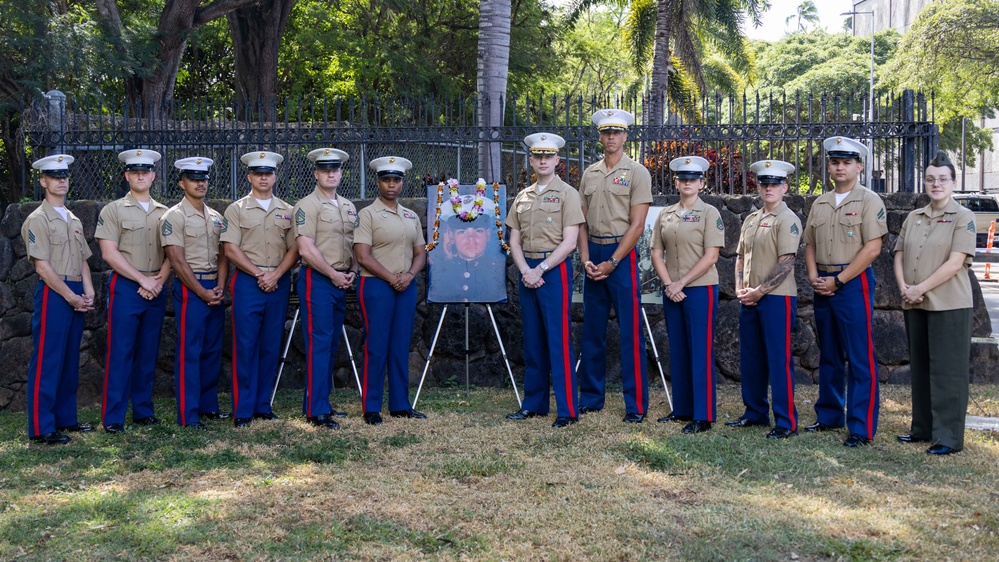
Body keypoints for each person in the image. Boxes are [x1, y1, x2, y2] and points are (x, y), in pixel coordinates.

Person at [803, 137, 887, 447]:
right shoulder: (820, 203)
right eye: (836, 162)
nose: (840, 167)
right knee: (829, 353)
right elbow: (810, 244)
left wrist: (838, 280)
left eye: (847, 162)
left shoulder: (869, 201)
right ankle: (829, 415)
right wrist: (814, 276)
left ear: (859, 166)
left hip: (852, 282)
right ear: (829, 166)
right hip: (822, 282)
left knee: (859, 355)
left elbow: (873, 247)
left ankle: (861, 427)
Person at [893, 151, 976, 455]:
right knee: (922, 367)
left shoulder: (963, 217)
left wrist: (920, 288)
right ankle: (923, 428)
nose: (936, 184)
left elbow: (956, 263)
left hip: (949, 304)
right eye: (930, 179)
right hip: (915, 301)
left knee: (948, 371)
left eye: (942, 179)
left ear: (953, 182)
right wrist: (904, 286)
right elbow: (899, 253)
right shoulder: (914, 217)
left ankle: (949, 438)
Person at [577, 109, 652, 423]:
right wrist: (585, 260)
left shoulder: (637, 172)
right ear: (600, 136)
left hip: (621, 253)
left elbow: (637, 225)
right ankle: (591, 399)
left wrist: (612, 262)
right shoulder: (589, 173)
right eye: (606, 132)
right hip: (592, 251)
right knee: (592, 330)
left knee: (630, 332)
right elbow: (579, 221)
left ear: (625, 136)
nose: (611, 137)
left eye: (617, 132)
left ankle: (635, 405)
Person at [505, 133, 584, 428]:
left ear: (557, 161)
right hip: (527, 270)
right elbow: (514, 240)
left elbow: (570, 242)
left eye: (548, 156)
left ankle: (567, 410)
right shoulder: (522, 197)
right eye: (538, 156)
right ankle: (534, 404)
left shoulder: (568, 194)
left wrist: (541, 269)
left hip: (554, 270)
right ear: (531, 160)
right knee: (533, 340)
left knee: (558, 339)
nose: (542, 160)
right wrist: (525, 269)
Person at [95, 149, 173, 434]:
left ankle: (143, 411)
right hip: (128, 287)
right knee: (121, 351)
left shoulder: (166, 213)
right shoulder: (113, 210)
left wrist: (158, 281)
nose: (141, 176)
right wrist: (143, 280)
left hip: (156, 287)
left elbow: (173, 254)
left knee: (148, 351)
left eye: (146, 171)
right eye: (135, 172)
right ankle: (113, 416)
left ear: (153, 176)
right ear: (127, 175)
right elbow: (109, 253)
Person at [22, 154, 96, 444]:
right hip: (55, 292)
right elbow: (42, 267)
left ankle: (66, 419)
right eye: (54, 176)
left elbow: (82, 260)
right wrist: (70, 297)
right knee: (47, 359)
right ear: (43, 181)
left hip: (75, 289)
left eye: (64, 175)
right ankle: (42, 427)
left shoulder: (73, 218)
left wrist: (87, 291)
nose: (61, 180)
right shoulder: (37, 219)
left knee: (68, 359)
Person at [223, 151, 298, 428]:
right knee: (245, 345)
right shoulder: (236, 209)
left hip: (278, 283)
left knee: (270, 345)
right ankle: (242, 409)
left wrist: (276, 274)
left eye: (268, 173)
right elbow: (230, 248)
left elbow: (295, 248)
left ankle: (262, 405)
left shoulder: (288, 211)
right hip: (248, 282)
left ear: (275, 176)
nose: (263, 177)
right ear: (249, 177)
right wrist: (259, 274)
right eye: (258, 173)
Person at [651, 156, 724, 434]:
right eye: (683, 179)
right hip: (673, 290)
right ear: (676, 182)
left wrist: (681, 283)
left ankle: (703, 415)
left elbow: (711, 255)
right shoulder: (665, 214)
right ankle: (682, 409)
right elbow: (657, 253)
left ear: (702, 183)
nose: (687, 183)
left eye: (693, 179)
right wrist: (670, 284)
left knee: (700, 350)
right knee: (678, 349)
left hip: (699, 289)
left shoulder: (710, 214)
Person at [730, 159, 802, 439]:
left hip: (776, 299)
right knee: (751, 358)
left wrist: (759, 291)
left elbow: (787, 262)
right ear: (758, 186)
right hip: (749, 297)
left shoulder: (788, 220)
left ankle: (785, 421)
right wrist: (740, 288)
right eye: (764, 183)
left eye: (774, 183)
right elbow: (739, 257)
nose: (768, 187)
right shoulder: (750, 219)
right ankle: (755, 413)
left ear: (785, 187)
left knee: (778, 359)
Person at [354, 156, 427, 425]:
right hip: (376, 285)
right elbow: (362, 255)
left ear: (402, 183)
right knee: (376, 345)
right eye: (386, 180)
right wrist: (392, 278)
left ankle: (400, 404)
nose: (391, 184)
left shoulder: (410, 216)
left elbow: (420, 253)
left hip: (405, 286)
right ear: (378, 182)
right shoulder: (367, 215)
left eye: (396, 180)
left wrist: (408, 276)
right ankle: (371, 406)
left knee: (400, 345)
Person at [161, 157, 228, 430]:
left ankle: (208, 406)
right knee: (191, 351)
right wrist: (201, 291)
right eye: (193, 178)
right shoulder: (173, 217)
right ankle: (188, 414)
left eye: (204, 178)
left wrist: (220, 286)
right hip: (192, 289)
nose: (200, 183)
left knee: (212, 350)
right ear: (181, 183)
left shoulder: (216, 217)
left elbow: (223, 255)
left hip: (214, 287)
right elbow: (176, 260)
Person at [293, 147, 357, 429]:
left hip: (341, 280)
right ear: (316, 174)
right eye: (325, 170)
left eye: (335, 169)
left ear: (341, 172)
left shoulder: (348, 206)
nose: (331, 173)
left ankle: (323, 403)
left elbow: (354, 244)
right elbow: (305, 250)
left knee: (330, 345)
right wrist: (333, 274)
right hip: (318, 280)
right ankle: (315, 410)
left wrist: (351, 272)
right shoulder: (306, 205)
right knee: (319, 343)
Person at [429, 210, 505, 303]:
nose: (471, 238)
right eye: (462, 232)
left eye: (478, 231)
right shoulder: (441, 270)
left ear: (488, 235)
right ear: (452, 236)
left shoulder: (496, 269)